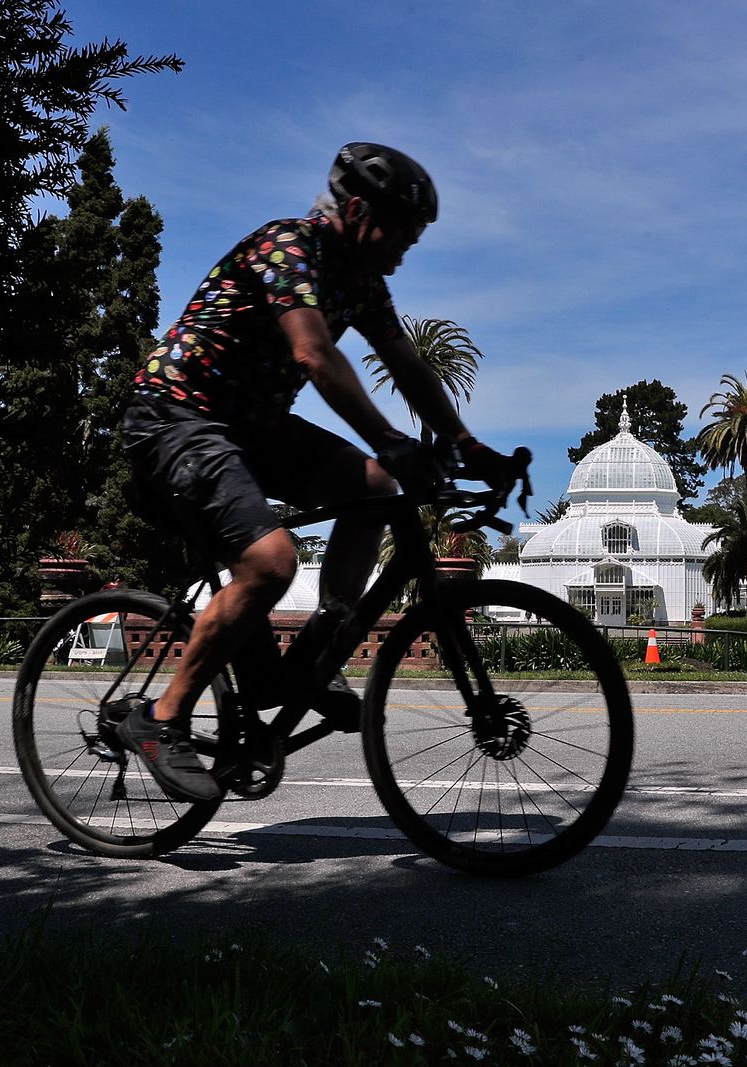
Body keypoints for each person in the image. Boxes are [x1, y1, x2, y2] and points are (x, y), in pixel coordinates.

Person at [117, 142, 511, 801]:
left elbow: (408, 363)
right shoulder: (286, 249)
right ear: (357, 213)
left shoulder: (362, 282)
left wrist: (468, 444)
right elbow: (314, 353)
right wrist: (391, 439)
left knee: (374, 487)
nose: (407, 249)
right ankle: (161, 719)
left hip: (252, 428)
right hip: (177, 416)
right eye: (402, 233)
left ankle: (320, 652)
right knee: (271, 563)